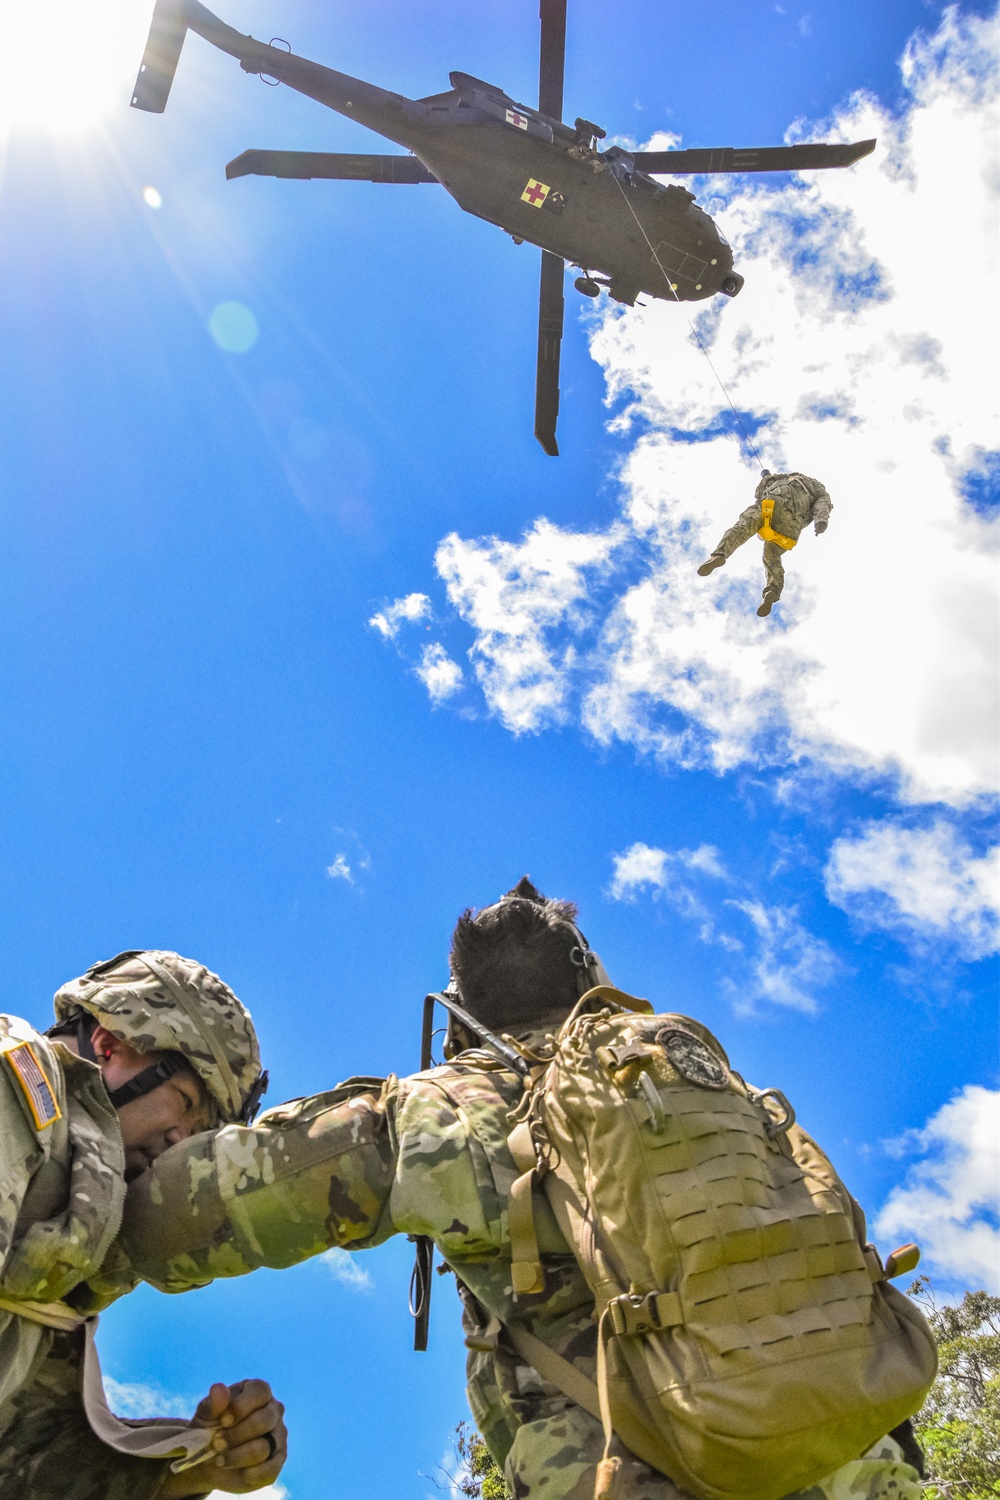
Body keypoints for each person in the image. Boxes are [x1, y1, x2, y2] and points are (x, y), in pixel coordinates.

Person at [120, 884, 927, 1500]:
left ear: (459, 1018)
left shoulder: (454, 1103)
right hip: (860, 1461)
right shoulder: (720, 1092)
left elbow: (174, 1222)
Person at [0, 948, 288, 1499]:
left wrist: (194, 1464)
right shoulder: (14, 1086)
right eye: (183, 1102)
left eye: (201, 1134)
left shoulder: (63, 1223)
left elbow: (22, 1472)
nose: (180, 1142)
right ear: (109, 1045)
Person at [698, 469, 833, 616]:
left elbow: (758, 495)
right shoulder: (810, 487)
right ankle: (773, 590)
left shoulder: (788, 482)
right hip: (790, 523)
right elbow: (823, 504)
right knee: (771, 554)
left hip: (771, 506)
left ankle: (720, 554)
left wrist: (767, 479)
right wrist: (821, 521)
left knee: (743, 527)